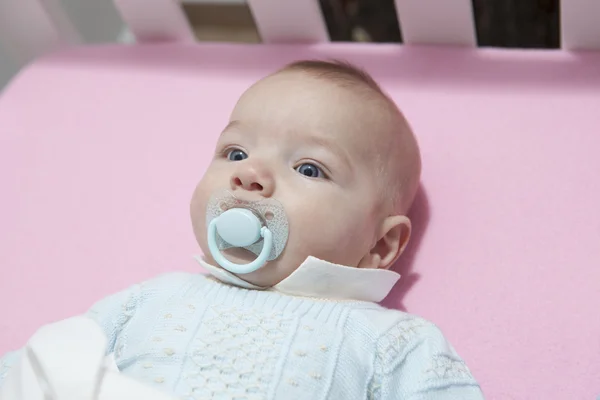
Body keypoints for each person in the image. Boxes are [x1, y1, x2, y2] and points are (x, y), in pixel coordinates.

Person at [0, 60, 484, 399]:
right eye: (235, 152)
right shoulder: (151, 299)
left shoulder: (388, 340)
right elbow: (39, 368)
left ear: (380, 244)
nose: (249, 174)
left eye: (309, 168)